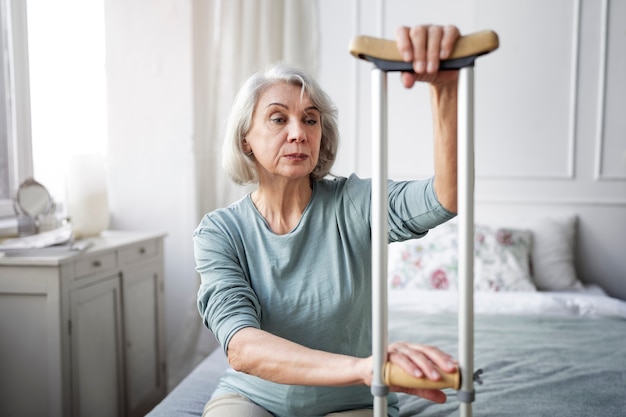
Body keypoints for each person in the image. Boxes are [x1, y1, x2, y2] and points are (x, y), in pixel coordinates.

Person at [194, 24, 461, 417]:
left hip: (352, 403)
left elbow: (445, 197)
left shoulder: (354, 202)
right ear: (245, 138)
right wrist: (362, 368)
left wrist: (445, 90)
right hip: (254, 398)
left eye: (311, 119)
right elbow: (242, 347)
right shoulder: (220, 232)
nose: (299, 133)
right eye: (278, 119)